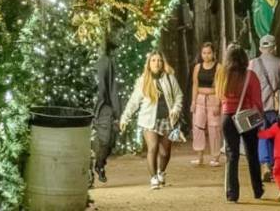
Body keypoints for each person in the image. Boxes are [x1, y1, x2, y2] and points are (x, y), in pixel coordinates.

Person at [119, 50, 184, 190]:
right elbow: (133, 102)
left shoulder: (169, 78)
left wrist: (175, 109)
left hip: (167, 120)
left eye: (159, 60)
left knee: (165, 152)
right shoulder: (143, 81)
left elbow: (179, 96)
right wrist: (125, 117)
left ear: (163, 63)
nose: (157, 63)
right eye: (153, 60)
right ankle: (153, 177)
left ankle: (161, 172)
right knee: (153, 147)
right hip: (149, 120)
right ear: (149, 63)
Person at [217, 44, 265, 203]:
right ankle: (257, 189)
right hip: (247, 116)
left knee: (232, 155)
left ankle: (232, 193)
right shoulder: (250, 75)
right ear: (244, 58)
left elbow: (220, 97)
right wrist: (260, 118)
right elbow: (257, 101)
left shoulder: (222, 75)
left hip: (227, 117)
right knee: (252, 154)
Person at [250, 34, 280, 182]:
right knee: (274, 136)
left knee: (262, 135)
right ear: (274, 48)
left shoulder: (252, 64)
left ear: (260, 48)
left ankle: (265, 163)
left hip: (256, 107)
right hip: (274, 106)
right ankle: (272, 165)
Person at [190, 42, 224, 167]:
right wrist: (193, 101)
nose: (206, 55)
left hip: (213, 99)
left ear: (214, 53)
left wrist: (218, 103)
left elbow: (220, 86)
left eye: (209, 53)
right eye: (204, 53)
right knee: (197, 127)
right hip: (200, 99)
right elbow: (195, 85)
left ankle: (215, 157)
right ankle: (199, 156)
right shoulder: (198, 67)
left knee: (214, 128)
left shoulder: (219, 67)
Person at [93, 38, 121, 183]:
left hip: (104, 106)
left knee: (107, 139)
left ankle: (99, 164)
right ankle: (91, 171)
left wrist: (117, 112)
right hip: (87, 105)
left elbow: (112, 88)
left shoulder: (106, 62)